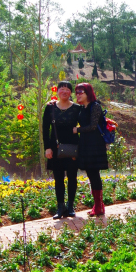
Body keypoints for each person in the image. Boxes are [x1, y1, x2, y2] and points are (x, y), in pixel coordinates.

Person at [43, 80, 79, 219]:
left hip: (73, 148)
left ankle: (70, 206)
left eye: (67, 89)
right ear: (57, 91)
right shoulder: (50, 108)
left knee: (72, 177)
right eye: (61, 89)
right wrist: (47, 148)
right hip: (55, 148)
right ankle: (60, 207)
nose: (64, 91)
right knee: (58, 178)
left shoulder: (77, 108)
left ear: (71, 92)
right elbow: (45, 129)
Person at [74, 82, 108, 217]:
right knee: (90, 174)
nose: (77, 94)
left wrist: (77, 130)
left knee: (94, 174)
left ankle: (99, 206)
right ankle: (97, 205)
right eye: (76, 92)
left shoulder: (95, 106)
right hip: (85, 143)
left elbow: (93, 126)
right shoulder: (82, 108)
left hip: (95, 144)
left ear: (88, 92)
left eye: (80, 92)